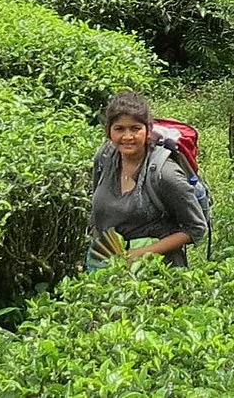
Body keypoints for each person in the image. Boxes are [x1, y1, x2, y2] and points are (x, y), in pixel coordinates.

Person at [85, 90, 208, 267]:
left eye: (135, 129)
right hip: (106, 264)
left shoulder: (165, 174)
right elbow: (97, 215)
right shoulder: (104, 158)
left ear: (148, 131)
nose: (127, 137)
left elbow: (195, 228)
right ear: (109, 131)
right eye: (119, 129)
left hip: (156, 271)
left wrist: (139, 254)